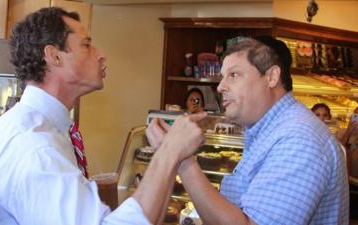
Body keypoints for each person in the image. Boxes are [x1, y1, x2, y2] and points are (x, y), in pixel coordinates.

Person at [0, 7, 206, 225]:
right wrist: (168, 153)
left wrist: (171, 156)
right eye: (87, 45)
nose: (101, 55)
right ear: (54, 56)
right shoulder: (35, 148)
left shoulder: (40, 130)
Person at [147, 36, 349, 224]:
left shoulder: (299, 141)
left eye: (234, 75)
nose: (220, 87)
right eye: (222, 76)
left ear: (271, 77)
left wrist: (183, 159)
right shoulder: (269, 130)